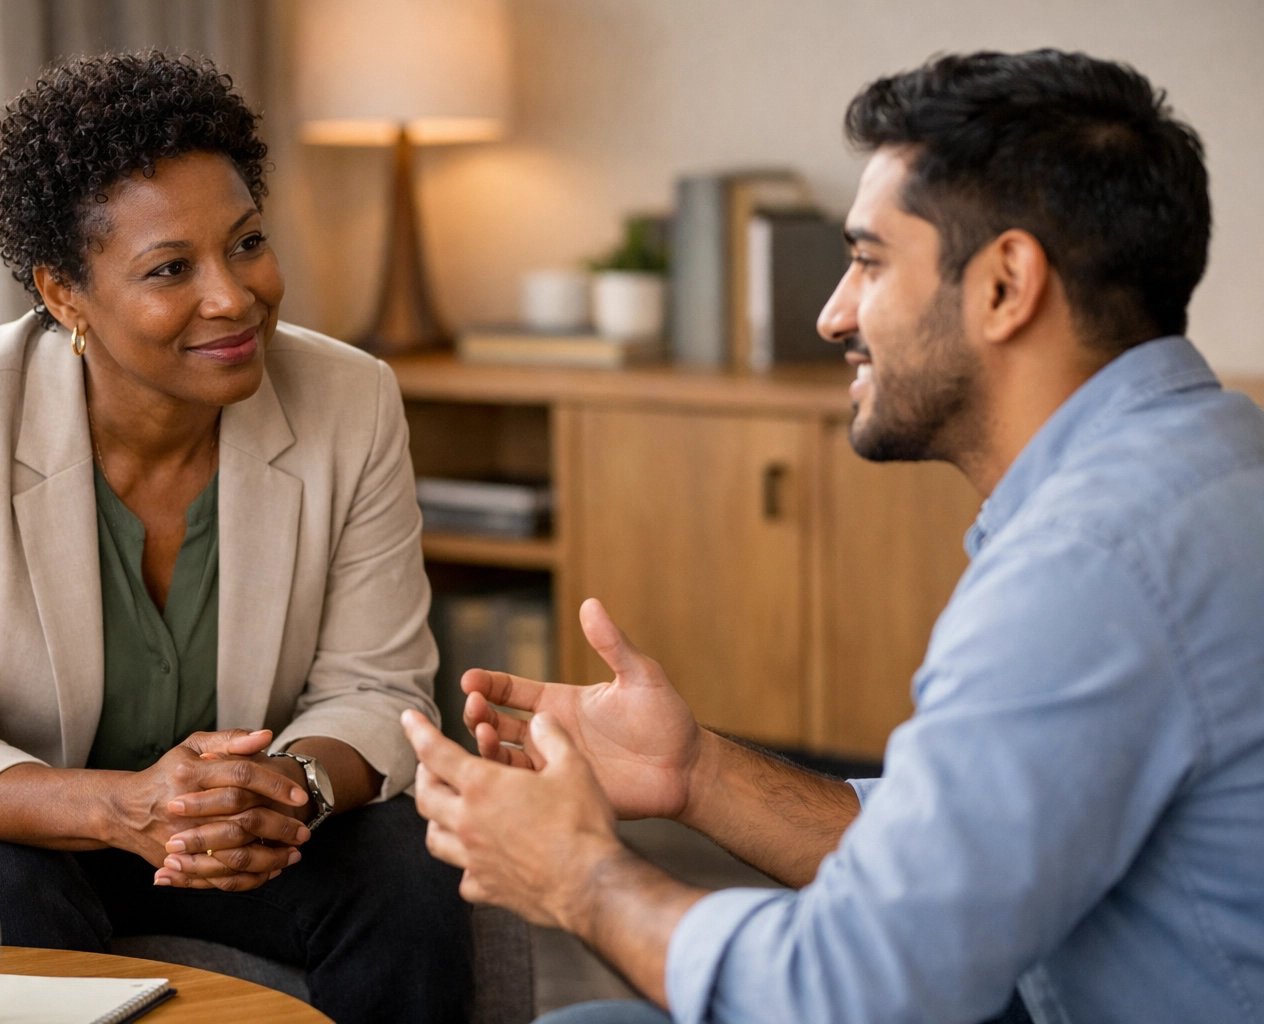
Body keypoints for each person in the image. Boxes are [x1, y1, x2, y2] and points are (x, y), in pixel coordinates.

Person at [402, 49, 1264, 1024]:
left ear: (1004, 285)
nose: (832, 314)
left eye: (867, 261)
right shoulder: (1216, 459)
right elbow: (941, 857)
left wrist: (580, 876)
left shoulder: (1090, 567)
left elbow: (850, 989)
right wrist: (697, 772)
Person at [0, 52, 470, 1024]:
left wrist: (284, 788)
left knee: (410, 870)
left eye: (247, 243)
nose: (234, 296)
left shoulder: (353, 400)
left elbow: (376, 688)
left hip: (205, 833)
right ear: (63, 294)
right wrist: (126, 807)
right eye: (171, 269)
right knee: (9, 899)